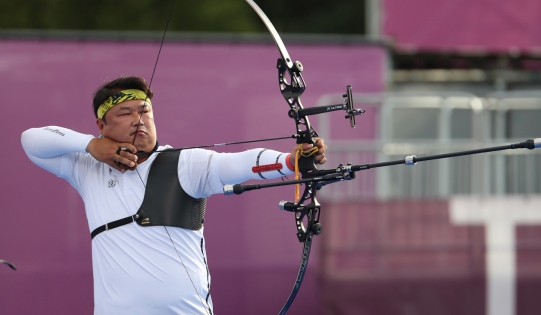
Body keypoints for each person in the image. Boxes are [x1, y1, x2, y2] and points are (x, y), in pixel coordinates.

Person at [21, 76, 327, 315]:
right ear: (102, 125)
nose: (138, 119)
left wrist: (291, 161)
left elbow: (238, 163)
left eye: (144, 111)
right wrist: (91, 145)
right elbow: (31, 140)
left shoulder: (184, 163)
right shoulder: (87, 168)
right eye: (125, 113)